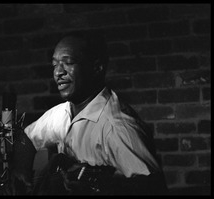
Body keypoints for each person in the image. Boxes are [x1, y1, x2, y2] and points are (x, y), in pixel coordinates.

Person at [9, 31, 168, 195]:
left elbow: (154, 187)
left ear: (97, 68)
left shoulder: (116, 127)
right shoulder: (62, 113)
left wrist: (99, 184)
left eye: (68, 62)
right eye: (55, 64)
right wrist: (21, 172)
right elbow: (25, 139)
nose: (58, 72)